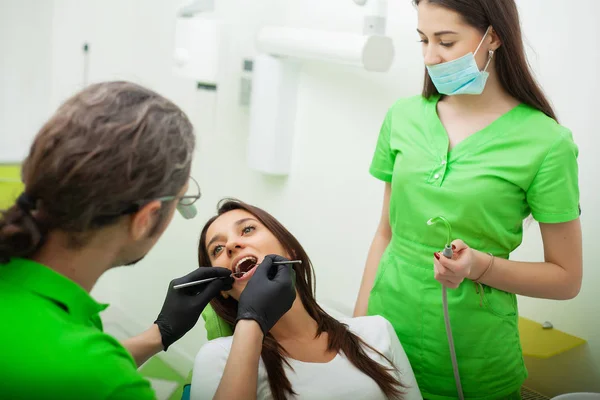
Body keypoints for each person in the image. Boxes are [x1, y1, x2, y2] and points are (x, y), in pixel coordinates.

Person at [0, 81, 296, 400]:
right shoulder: (105, 380)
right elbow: (84, 376)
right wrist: (251, 325)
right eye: (182, 202)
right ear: (145, 219)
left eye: (248, 230)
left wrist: (159, 334)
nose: (234, 246)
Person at [353, 0, 583, 399]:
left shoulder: (547, 144)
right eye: (423, 40)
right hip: (385, 336)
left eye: (445, 41)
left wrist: (480, 266)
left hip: (474, 357)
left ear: (493, 36)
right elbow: (384, 235)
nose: (430, 57)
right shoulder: (403, 117)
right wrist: (357, 330)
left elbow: (566, 279)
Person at [191, 199, 422, 400]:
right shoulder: (216, 357)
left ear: (289, 249)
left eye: (248, 229)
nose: (231, 245)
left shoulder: (376, 332)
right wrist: (252, 319)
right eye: (218, 248)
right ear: (222, 288)